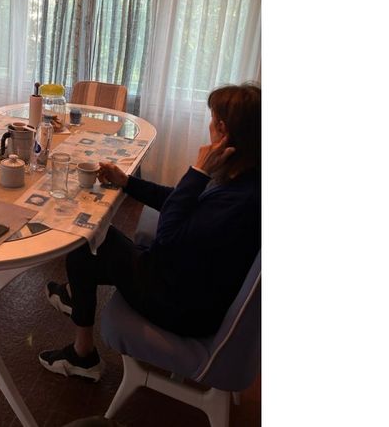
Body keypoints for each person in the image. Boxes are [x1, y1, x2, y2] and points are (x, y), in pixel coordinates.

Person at [38, 83, 261, 382]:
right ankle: (77, 298)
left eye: (212, 119)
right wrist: (127, 182)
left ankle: (82, 355)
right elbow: (178, 201)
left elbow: (168, 238)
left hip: (177, 304)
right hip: (187, 283)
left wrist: (198, 172)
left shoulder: (239, 201)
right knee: (95, 242)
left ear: (222, 130)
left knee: (85, 243)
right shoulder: (245, 178)